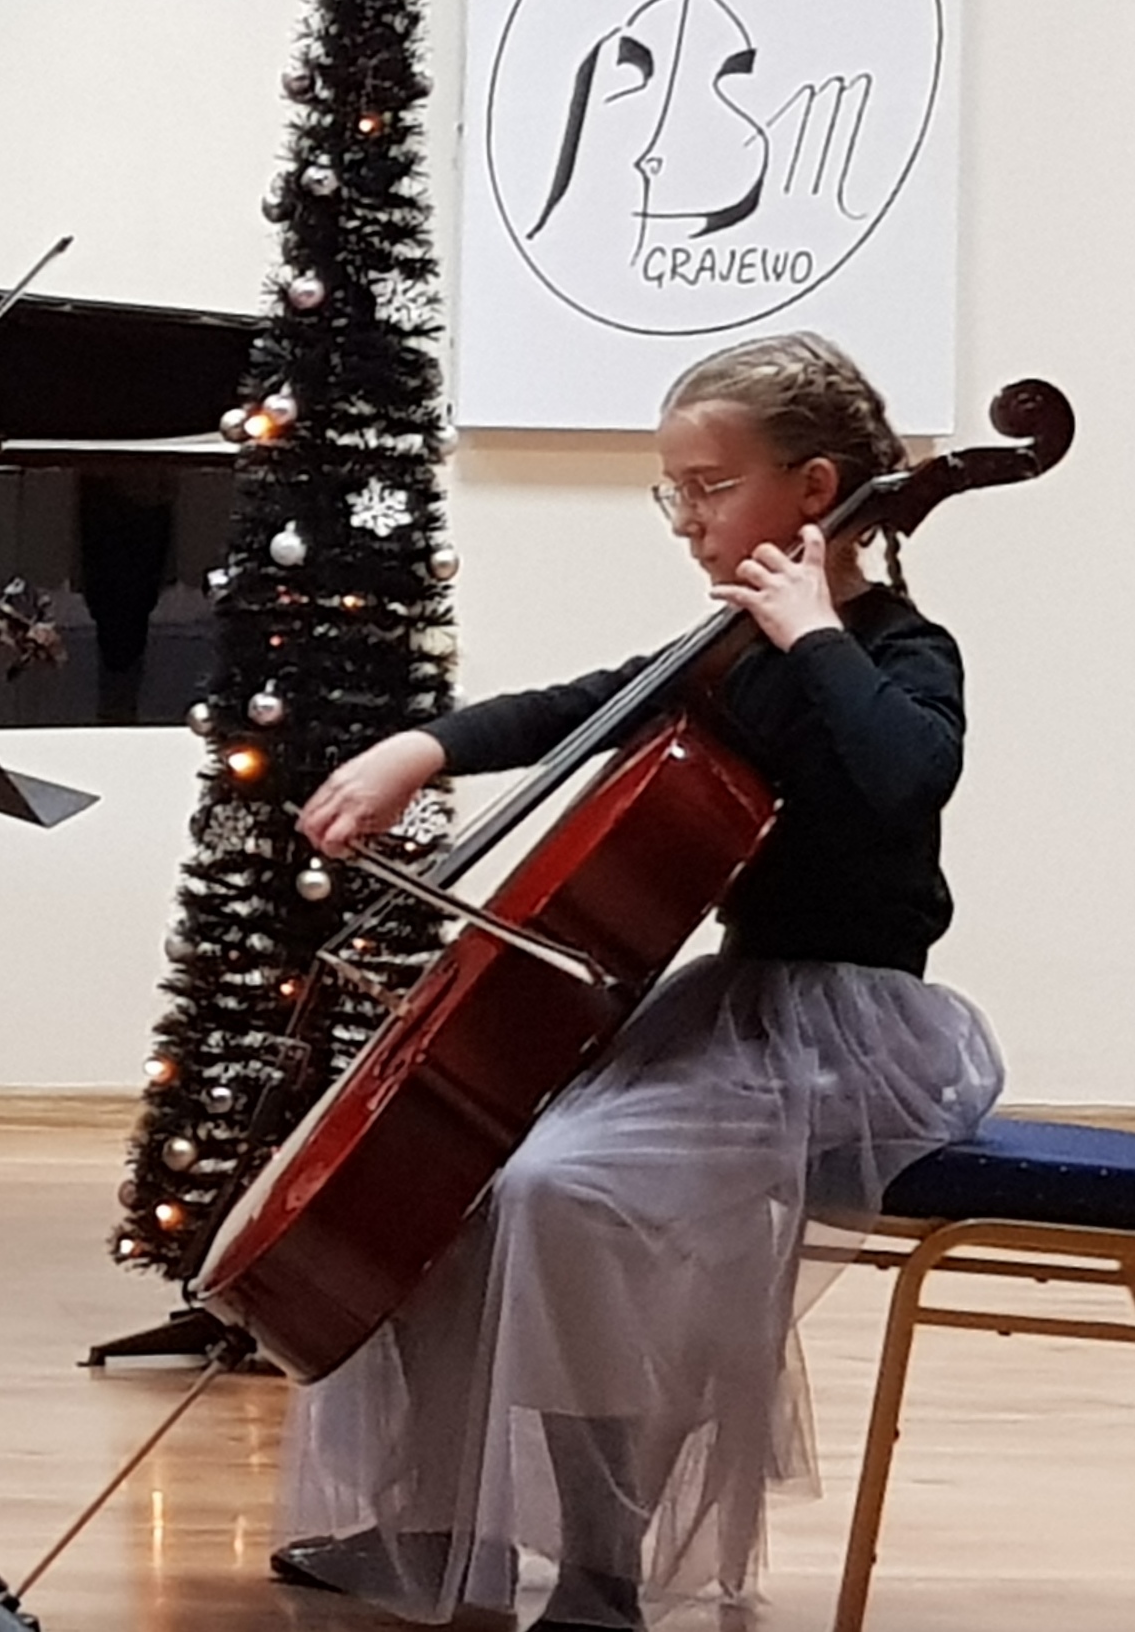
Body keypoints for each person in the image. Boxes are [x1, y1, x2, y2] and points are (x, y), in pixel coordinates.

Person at [271, 332, 1001, 1632]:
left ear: (816, 490)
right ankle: (448, 1525)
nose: (688, 520)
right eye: (676, 492)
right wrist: (419, 749)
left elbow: (906, 778)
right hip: (731, 1009)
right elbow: (586, 706)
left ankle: (600, 1561)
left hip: (848, 1032)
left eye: (710, 487)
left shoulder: (899, 650)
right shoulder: (731, 652)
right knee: (460, 1182)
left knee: (568, 1190)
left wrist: (816, 632)